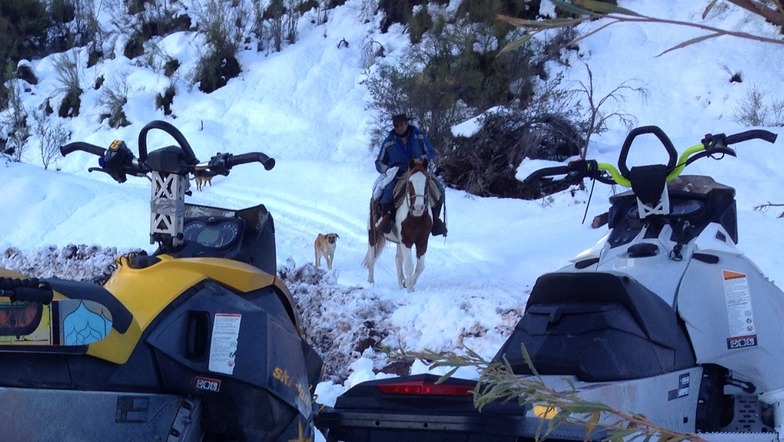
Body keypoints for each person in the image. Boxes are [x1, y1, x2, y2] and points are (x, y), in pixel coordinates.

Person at [375, 113, 447, 236]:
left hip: (418, 170)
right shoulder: (388, 142)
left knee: (439, 190)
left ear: (407, 123)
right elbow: (379, 162)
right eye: (396, 126)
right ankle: (387, 219)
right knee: (388, 192)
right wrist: (388, 170)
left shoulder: (419, 136)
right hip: (399, 173)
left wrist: (421, 159)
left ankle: (435, 220)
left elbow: (431, 152)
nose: (399, 128)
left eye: (401, 125)